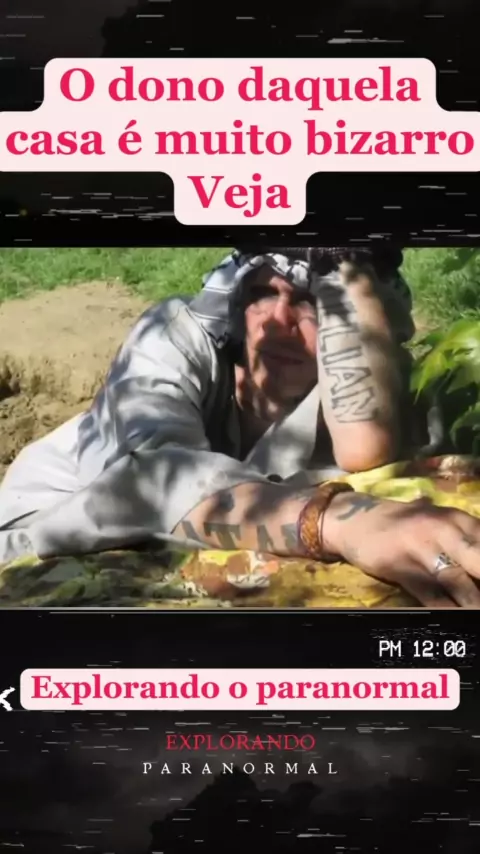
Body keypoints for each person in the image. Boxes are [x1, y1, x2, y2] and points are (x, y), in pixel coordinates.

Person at [0, 246, 480, 609]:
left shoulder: (384, 391)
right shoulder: (172, 336)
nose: (277, 320)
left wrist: (347, 264)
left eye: (311, 303)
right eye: (260, 294)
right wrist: (334, 519)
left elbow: (366, 448)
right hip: (47, 528)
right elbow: (150, 481)